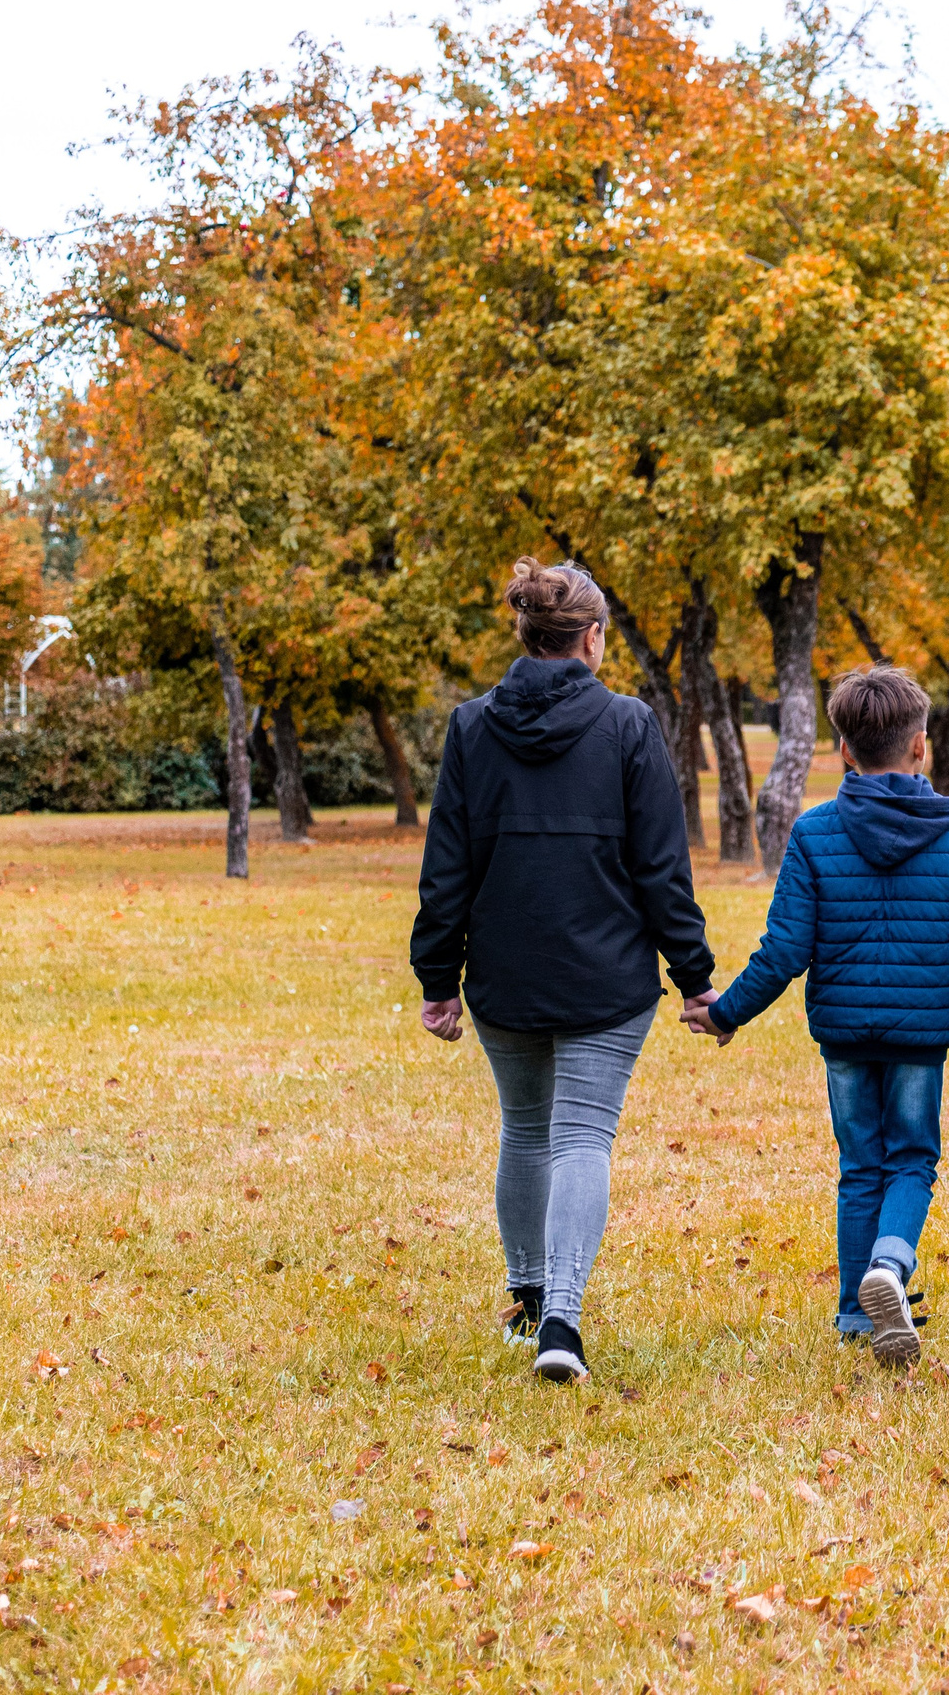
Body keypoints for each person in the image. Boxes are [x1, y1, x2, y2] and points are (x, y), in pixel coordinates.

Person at [410, 559, 716, 1386]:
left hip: (503, 973)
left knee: (525, 1128)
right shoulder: (628, 724)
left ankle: (528, 1297)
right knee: (580, 1136)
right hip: (606, 978)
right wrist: (695, 976)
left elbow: (447, 867)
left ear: (527, 633)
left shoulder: (472, 726)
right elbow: (662, 868)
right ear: (592, 638)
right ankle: (562, 1321)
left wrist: (438, 978)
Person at [684, 663, 949, 1368]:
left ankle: (854, 1310)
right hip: (920, 1034)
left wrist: (727, 1012)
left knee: (860, 1163)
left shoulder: (815, 833)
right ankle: (889, 1269)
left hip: (842, 1033)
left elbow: (784, 949)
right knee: (912, 1159)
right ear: (921, 744)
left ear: (844, 750)